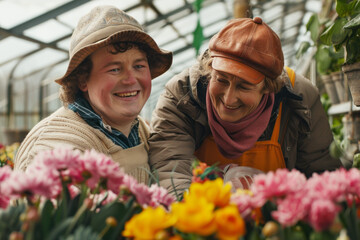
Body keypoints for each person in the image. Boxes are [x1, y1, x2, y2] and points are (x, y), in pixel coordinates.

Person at [149, 17, 342, 193]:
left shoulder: (300, 99)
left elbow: (321, 175)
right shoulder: (182, 96)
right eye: (221, 80)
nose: (229, 98)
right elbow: (170, 169)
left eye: (244, 86)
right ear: (209, 70)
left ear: (268, 87)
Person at [14, 5, 172, 184]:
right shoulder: (57, 145)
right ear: (82, 79)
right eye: (114, 69)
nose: (130, 79)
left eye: (139, 66)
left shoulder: (140, 130)